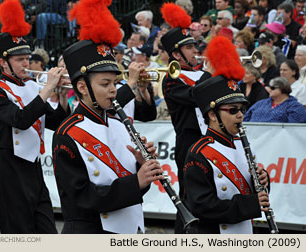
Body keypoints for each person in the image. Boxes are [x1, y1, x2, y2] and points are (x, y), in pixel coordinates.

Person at [52, 0, 163, 234]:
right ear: (82, 87)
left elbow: (131, 189)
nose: (114, 89)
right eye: (105, 83)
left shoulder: (119, 122)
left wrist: (141, 168)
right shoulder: (67, 133)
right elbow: (80, 198)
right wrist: (137, 181)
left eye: (114, 82)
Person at [0, 0, 71, 234]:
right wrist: (47, 89)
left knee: (47, 233)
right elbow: (20, 120)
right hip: (10, 170)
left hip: (34, 168)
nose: (26, 63)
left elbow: (55, 123)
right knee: (18, 234)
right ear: (3, 62)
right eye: (19, 59)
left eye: (27, 57)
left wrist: (62, 95)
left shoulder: (32, 85)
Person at [183, 51, 270, 234]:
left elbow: (248, 187)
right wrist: (250, 204)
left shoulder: (241, 142)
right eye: (232, 110)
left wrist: (261, 181)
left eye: (242, 109)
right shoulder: (199, 152)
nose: (240, 115)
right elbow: (202, 206)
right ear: (213, 115)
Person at [160, 4, 205, 233]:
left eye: (193, 45)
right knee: (189, 195)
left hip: (211, 140)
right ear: (176, 54)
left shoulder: (204, 74)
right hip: (189, 143)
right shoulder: (171, 79)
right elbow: (194, 96)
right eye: (188, 47)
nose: (194, 50)